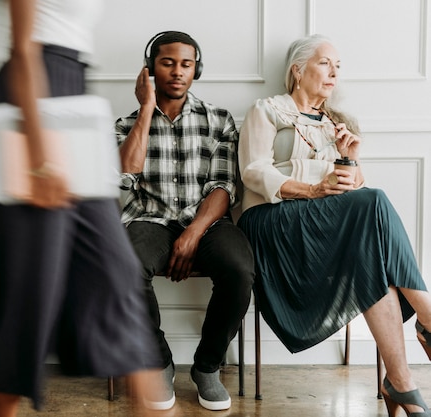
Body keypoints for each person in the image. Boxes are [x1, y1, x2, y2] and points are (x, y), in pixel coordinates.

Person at [0, 1, 168, 416]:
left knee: (117, 273)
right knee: (32, 292)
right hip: (30, 102)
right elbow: (23, 49)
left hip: (71, 99)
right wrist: (39, 158)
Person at [238, 33, 431, 417]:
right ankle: (427, 319)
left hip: (326, 227)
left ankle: (400, 380)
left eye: (338, 67)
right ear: (298, 70)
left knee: (370, 253)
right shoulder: (268, 110)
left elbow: (350, 188)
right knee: (373, 199)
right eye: (326, 63)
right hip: (272, 222)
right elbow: (252, 170)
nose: (334, 73)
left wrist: (350, 160)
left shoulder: (338, 124)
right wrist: (312, 189)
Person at [115, 31, 255, 411]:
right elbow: (126, 174)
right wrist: (146, 109)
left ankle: (207, 366)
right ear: (150, 69)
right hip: (150, 219)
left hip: (207, 221)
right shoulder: (126, 124)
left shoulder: (220, 120)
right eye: (167, 62)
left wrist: (193, 233)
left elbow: (223, 186)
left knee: (239, 271)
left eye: (186, 64)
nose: (177, 71)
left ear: (197, 70)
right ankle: (158, 362)